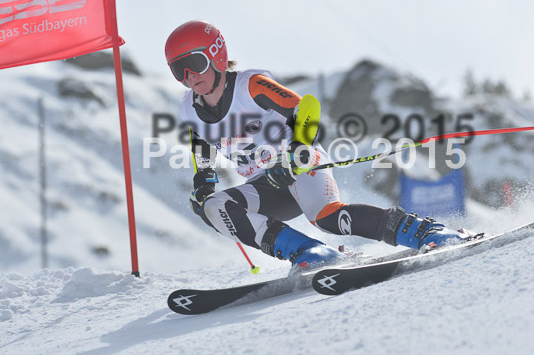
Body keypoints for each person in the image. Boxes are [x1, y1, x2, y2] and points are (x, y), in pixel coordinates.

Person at [165, 20, 476, 269]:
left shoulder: (250, 86)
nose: (190, 76)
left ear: (217, 54)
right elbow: (202, 145)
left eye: (195, 62)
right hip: (265, 185)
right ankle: (309, 253)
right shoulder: (188, 108)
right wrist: (204, 186)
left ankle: (426, 232)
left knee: (327, 218)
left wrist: (295, 153)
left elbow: (305, 108)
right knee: (215, 207)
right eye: (180, 69)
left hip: (300, 165)